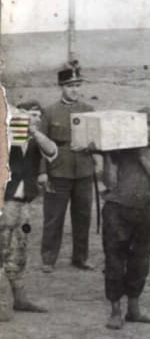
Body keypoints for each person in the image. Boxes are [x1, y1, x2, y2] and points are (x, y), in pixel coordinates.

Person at [101, 108, 150, 329]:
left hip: (142, 211)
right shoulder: (119, 152)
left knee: (140, 261)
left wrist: (141, 157)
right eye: (149, 125)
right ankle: (115, 312)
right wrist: (107, 157)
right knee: (114, 261)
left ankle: (134, 310)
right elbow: (110, 183)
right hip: (116, 211)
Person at [2, 101, 59, 313]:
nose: (34, 119)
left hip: (24, 204)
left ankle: (20, 299)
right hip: (4, 203)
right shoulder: (7, 136)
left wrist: (34, 132)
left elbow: (52, 150)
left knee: (20, 249)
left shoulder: (36, 141)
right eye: (30, 115)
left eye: (37, 116)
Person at [40, 65, 98, 272]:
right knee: (54, 216)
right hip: (58, 170)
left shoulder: (88, 111)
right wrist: (43, 172)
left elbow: (96, 141)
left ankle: (80, 258)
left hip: (83, 169)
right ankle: (48, 259)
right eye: (70, 85)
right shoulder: (49, 112)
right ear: (61, 87)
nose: (74, 89)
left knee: (83, 216)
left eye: (77, 85)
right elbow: (41, 145)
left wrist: (92, 147)